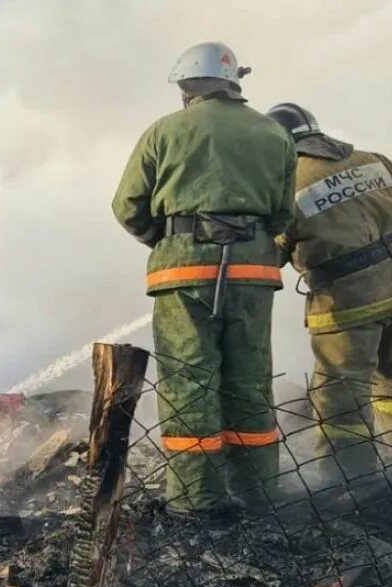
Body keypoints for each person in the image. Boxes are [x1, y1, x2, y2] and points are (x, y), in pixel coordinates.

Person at [111, 42, 297, 521]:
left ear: (185, 88)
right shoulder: (274, 134)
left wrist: (172, 238)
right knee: (250, 379)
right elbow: (282, 213)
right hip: (254, 275)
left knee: (189, 380)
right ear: (234, 82)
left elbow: (127, 205)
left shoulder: (165, 131)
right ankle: (257, 491)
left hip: (184, 273)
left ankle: (197, 500)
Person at [268, 103, 392, 486]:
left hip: (347, 304)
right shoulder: (373, 160)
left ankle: (349, 481)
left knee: (341, 393)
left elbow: (273, 251)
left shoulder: (287, 184)